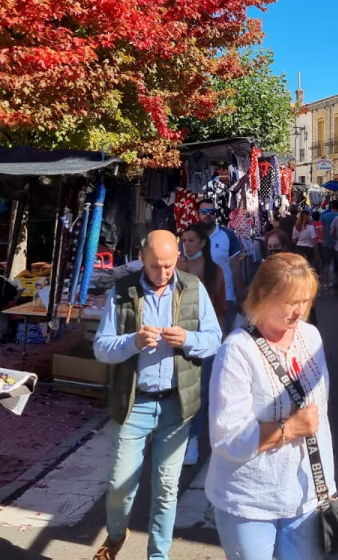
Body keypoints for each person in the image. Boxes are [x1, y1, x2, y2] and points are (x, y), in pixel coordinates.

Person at [92, 231, 223, 560]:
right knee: (120, 487)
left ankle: (158, 555)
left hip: (177, 405)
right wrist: (132, 343)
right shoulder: (122, 292)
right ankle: (116, 534)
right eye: (154, 267)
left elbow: (214, 340)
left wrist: (188, 339)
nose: (162, 273)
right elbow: (101, 348)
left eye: (168, 265)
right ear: (141, 258)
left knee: (166, 488)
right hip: (134, 403)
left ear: (178, 257)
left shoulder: (193, 289)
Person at [207, 252, 336, 560]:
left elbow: (320, 414)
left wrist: (327, 485)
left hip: (306, 494)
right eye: (292, 301)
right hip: (250, 499)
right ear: (264, 294)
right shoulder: (237, 351)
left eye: (306, 301)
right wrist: (289, 428)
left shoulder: (310, 336)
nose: (300, 311)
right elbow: (226, 437)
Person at [178, 224, 229, 467]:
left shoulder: (214, 271)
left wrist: (219, 343)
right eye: (184, 240)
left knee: (199, 392)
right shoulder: (175, 267)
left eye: (190, 240)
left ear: (202, 243)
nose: (186, 245)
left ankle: (194, 439)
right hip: (176, 337)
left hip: (203, 338)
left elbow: (219, 308)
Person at [198, 199, 247, 329]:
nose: (208, 214)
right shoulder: (191, 237)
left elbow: (236, 268)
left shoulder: (228, 235)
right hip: (198, 298)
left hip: (225, 297)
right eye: (204, 212)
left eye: (211, 212)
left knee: (223, 338)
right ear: (198, 214)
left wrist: (241, 297)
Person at [319, 200, 338, 289]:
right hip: (337, 244)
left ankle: (325, 283)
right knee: (337, 264)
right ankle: (335, 283)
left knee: (326, 264)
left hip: (326, 243)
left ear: (331, 206)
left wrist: (322, 238)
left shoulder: (325, 216)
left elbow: (322, 229)